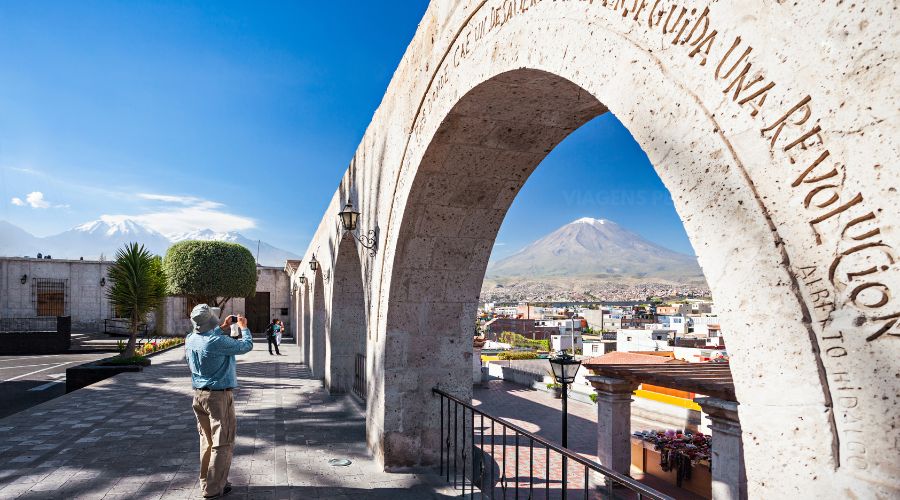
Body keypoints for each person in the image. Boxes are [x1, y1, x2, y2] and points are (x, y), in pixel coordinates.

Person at [185, 304, 254, 499]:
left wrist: (223, 327)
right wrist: (244, 328)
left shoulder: (190, 339)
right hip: (218, 397)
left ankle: (207, 482)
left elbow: (208, 336)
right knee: (223, 442)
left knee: (206, 441)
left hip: (199, 396)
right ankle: (214, 489)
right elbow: (245, 346)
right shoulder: (216, 341)